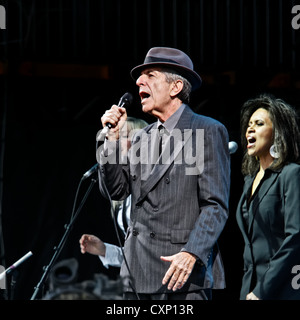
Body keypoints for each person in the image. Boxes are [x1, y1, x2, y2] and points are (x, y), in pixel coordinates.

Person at [97, 47, 230, 300]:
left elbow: (215, 205)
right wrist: (111, 142)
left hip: (182, 274)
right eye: (139, 76)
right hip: (136, 274)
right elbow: (115, 190)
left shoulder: (206, 131)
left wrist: (191, 253)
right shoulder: (140, 138)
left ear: (175, 87)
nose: (138, 82)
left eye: (150, 75)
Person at [236, 93, 300, 300]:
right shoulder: (249, 180)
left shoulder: (291, 174)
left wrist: (263, 290)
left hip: (282, 287)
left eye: (259, 123)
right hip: (250, 287)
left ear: (276, 133)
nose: (250, 129)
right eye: (249, 125)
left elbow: (295, 237)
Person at [80, 117, 148, 268]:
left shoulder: (154, 184)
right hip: (139, 282)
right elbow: (137, 256)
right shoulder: (124, 195)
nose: (117, 142)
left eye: (124, 136)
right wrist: (105, 250)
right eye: (116, 138)